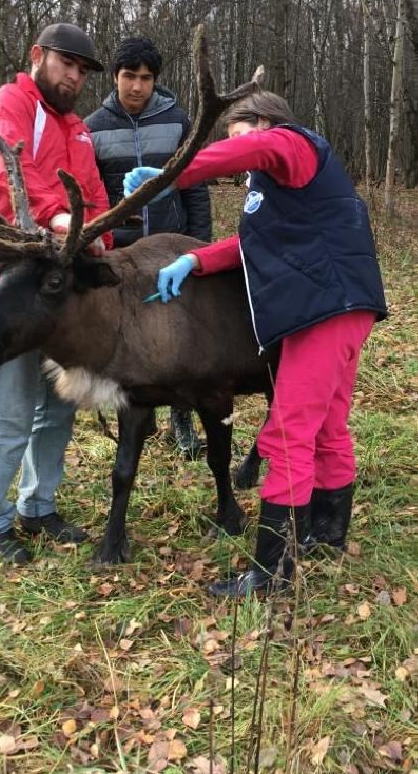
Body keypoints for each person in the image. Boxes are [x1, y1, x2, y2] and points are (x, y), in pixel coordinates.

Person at [124, 92, 387, 597]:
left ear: (267, 123)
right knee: (327, 422)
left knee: (289, 433)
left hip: (325, 307)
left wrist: (170, 176)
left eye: (240, 136)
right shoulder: (273, 190)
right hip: (338, 306)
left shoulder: (295, 146)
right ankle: (325, 533)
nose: (238, 152)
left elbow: (261, 149)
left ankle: (271, 574)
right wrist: (195, 262)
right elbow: (251, 246)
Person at [0, 23, 113, 565]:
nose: (73, 76)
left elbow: (95, 197)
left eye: (81, 70)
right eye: (65, 63)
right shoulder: (5, 104)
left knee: (57, 407)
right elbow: (9, 171)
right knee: (9, 407)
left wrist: (96, 231)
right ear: (37, 56)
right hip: (9, 278)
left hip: (62, 288)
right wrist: (61, 216)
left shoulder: (77, 129)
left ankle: (38, 506)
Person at [85, 36, 211, 459]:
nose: (137, 87)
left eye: (146, 78)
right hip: (119, 252)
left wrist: (200, 246)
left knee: (179, 335)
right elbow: (91, 193)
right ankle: (138, 413)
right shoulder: (93, 128)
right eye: (129, 77)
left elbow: (195, 188)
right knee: (128, 335)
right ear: (116, 78)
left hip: (171, 250)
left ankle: (182, 417)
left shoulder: (178, 120)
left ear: (156, 80)